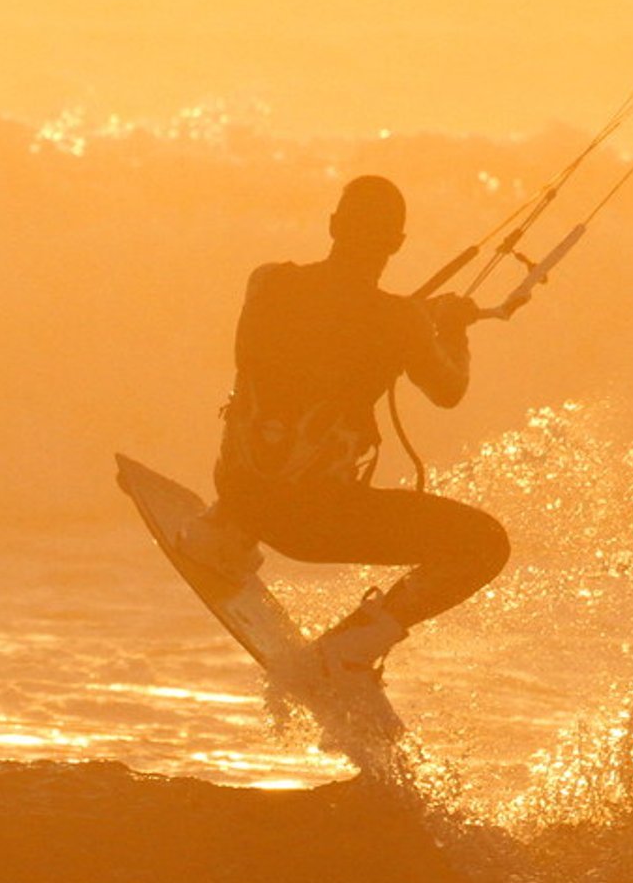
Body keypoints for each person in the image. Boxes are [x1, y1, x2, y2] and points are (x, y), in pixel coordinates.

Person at [180, 175, 510, 682]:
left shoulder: (267, 281)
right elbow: (449, 390)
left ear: (334, 225)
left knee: (275, 421)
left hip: (239, 486)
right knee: (485, 544)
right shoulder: (401, 324)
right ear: (397, 244)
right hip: (312, 523)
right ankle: (351, 648)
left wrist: (414, 322)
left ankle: (225, 532)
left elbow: (324, 337)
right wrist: (453, 330)